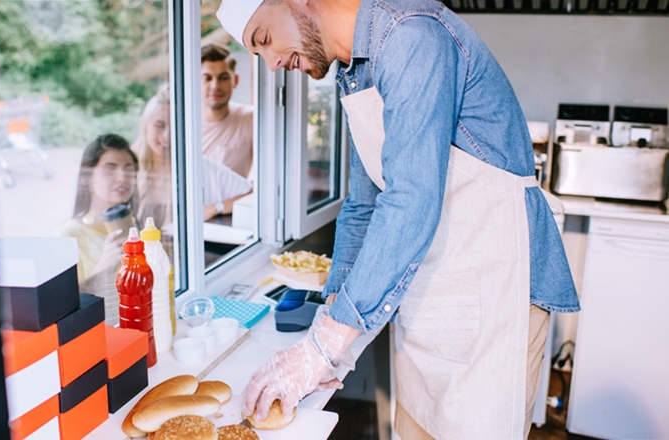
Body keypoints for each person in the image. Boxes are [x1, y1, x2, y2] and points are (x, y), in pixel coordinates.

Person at [216, 1, 580, 439]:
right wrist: (330, 325)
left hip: (493, 290)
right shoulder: (356, 72)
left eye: (264, 40)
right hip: (431, 298)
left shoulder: (412, 35)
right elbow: (364, 206)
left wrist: (326, 346)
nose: (273, 64)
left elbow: (411, 198)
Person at [55, 134, 138, 326]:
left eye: (129, 170)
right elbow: (65, 311)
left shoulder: (136, 223)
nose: (122, 177)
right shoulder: (68, 236)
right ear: (87, 178)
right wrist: (104, 265)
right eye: (110, 170)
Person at [199, 44, 254, 220]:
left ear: (235, 80)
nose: (215, 85)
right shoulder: (180, 124)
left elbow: (265, 187)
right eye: (207, 78)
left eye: (223, 77)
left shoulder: (250, 119)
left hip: (229, 217)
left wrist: (217, 207)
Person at [132, 84, 174, 255]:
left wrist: (216, 207)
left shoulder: (193, 168)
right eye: (160, 125)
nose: (168, 135)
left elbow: (250, 191)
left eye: (175, 125)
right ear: (145, 125)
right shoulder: (128, 167)